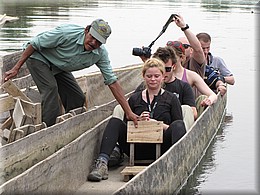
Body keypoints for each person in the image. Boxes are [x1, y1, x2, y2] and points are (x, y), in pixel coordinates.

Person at [3, 19, 138, 127]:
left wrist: (128, 112)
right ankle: (47, 129)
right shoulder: (66, 33)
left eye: (99, 42)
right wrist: (16, 68)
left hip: (59, 65)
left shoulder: (100, 54)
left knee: (77, 97)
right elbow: (33, 44)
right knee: (50, 89)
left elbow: (112, 82)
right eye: (92, 37)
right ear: (86, 30)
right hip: (38, 57)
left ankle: (68, 124)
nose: (93, 43)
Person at [87, 58, 186, 182]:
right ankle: (101, 163)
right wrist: (139, 122)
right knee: (115, 122)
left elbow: (177, 127)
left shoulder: (171, 99)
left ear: (163, 77)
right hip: (137, 147)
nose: (153, 79)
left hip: (162, 148)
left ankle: (176, 162)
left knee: (179, 125)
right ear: (144, 76)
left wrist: (156, 125)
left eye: (156, 76)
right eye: (149, 76)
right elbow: (125, 125)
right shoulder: (134, 99)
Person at [163, 42, 218, 116]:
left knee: (202, 98)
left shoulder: (191, 75)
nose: (170, 61)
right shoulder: (161, 74)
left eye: (173, 58)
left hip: (185, 113)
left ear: (182, 58)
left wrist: (209, 100)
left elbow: (213, 95)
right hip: (166, 111)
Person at [171, 14, 206, 79]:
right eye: (178, 46)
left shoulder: (195, 63)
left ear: (191, 50)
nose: (181, 48)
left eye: (185, 46)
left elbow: (198, 49)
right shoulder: (170, 65)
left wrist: (184, 27)